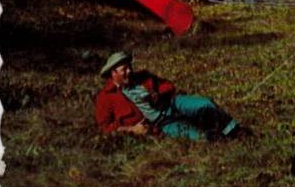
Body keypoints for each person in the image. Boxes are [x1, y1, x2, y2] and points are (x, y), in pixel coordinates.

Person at [94, 51, 248, 141]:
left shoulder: (143, 77)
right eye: (124, 69)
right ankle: (218, 137)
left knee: (205, 104)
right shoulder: (106, 97)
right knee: (199, 139)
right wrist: (132, 129)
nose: (129, 71)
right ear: (113, 73)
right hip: (160, 124)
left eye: (130, 67)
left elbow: (169, 86)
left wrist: (158, 94)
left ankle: (234, 130)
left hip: (172, 103)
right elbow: (104, 127)